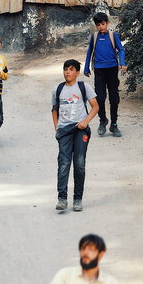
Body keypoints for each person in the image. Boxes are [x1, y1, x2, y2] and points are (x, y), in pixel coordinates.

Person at [52, 59, 99, 212]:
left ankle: (77, 199)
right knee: (64, 162)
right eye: (66, 69)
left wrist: (86, 121)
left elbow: (95, 106)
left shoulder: (83, 87)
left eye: (71, 69)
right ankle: (62, 199)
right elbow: (54, 110)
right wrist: (57, 128)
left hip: (80, 129)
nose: (67, 72)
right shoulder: (58, 89)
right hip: (64, 131)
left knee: (79, 163)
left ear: (77, 73)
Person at [38, 234, 128, 284]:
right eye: (83, 249)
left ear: (101, 255)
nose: (85, 253)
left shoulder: (110, 283)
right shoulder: (65, 275)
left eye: (91, 250)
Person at [83, 12, 127, 138]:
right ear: (96, 26)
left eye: (103, 24)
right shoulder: (94, 36)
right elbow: (89, 52)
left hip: (112, 70)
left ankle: (114, 124)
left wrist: (122, 63)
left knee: (114, 98)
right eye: (98, 25)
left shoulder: (113, 35)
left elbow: (121, 49)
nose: (101, 27)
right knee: (100, 98)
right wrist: (86, 68)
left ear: (107, 23)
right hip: (99, 71)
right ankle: (103, 120)